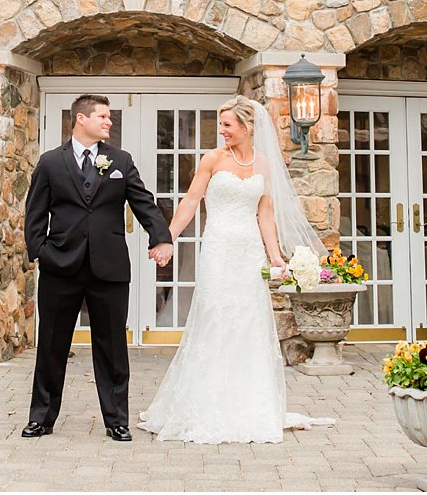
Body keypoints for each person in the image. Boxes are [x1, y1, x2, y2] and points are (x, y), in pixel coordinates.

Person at [138, 95, 333, 443]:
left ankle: (249, 404)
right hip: (218, 248)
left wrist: (274, 254)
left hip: (248, 252)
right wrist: (167, 238)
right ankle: (206, 403)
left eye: (228, 125)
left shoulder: (264, 165)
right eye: (222, 124)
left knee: (249, 322)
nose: (222, 131)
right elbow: (190, 202)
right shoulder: (212, 159)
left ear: (247, 127)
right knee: (216, 317)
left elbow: (266, 212)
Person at [22, 94, 173, 442]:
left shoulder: (120, 160)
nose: (108, 122)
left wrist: (160, 238)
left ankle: (117, 420)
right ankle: (41, 418)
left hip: (110, 268)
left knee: (112, 347)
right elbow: (34, 214)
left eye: (109, 117)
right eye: (102, 116)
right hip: (61, 266)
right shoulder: (49, 163)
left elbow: (143, 201)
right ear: (81, 119)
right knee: (51, 345)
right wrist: (41, 251)